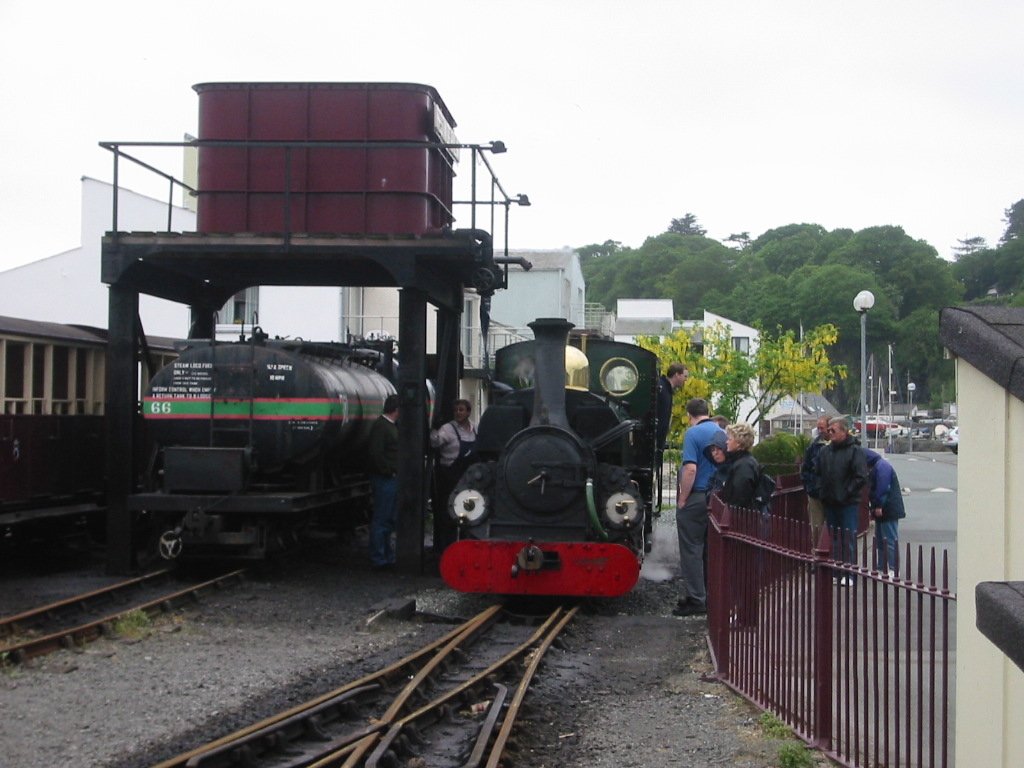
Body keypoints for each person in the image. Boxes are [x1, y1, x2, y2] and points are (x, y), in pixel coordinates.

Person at [674, 397, 725, 617]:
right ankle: (711, 595)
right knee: (710, 548)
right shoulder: (722, 432)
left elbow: (690, 470)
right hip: (717, 497)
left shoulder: (692, 434)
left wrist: (682, 499)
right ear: (708, 411)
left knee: (691, 549)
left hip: (697, 495)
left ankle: (696, 598)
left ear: (689, 415)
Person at [816, 415, 868, 571]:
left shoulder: (854, 451)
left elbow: (860, 476)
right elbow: (818, 472)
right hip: (830, 502)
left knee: (848, 538)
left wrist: (846, 492)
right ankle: (836, 569)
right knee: (834, 539)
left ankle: (849, 571)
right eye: (829, 429)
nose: (829, 432)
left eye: (833, 430)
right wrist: (822, 492)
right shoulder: (825, 451)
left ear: (844, 432)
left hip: (847, 504)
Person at [429, 398, 477, 552]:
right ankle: (446, 549)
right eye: (456, 410)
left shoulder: (475, 428)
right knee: (449, 516)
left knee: (468, 516)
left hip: (468, 479)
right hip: (450, 477)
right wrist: (434, 431)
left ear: (468, 412)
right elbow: (435, 443)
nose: (458, 413)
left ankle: (465, 548)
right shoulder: (448, 429)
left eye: (461, 410)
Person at [367, 394, 400, 569]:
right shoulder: (382, 427)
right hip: (385, 479)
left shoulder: (391, 426)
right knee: (382, 518)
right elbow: (375, 454)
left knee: (388, 519)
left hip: (390, 478)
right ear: (397, 409)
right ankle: (379, 557)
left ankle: (387, 554)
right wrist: (389, 471)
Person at [863, 448, 906, 575]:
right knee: (883, 539)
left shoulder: (881, 467)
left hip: (887, 508)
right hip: (887, 507)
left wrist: (878, 505)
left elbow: (883, 487)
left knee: (889, 539)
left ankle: (892, 568)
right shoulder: (881, 466)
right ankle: (883, 566)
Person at [800, 415, 831, 547]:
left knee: (832, 528)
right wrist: (810, 487)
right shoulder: (814, 446)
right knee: (816, 528)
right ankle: (817, 557)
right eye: (818, 427)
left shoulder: (836, 446)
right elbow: (805, 468)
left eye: (822, 427)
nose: (819, 430)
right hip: (815, 494)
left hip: (833, 495)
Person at [718, 423, 760, 510]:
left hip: (741, 519)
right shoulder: (744, 461)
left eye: (729, 439)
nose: (727, 442)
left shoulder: (744, 465)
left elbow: (739, 497)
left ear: (738, 443)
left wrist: (728, 513)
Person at [655, 363, 688, 451]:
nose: (686, 380)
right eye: (685, 376)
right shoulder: (661, 388)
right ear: (677, 375)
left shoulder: (667, 390)